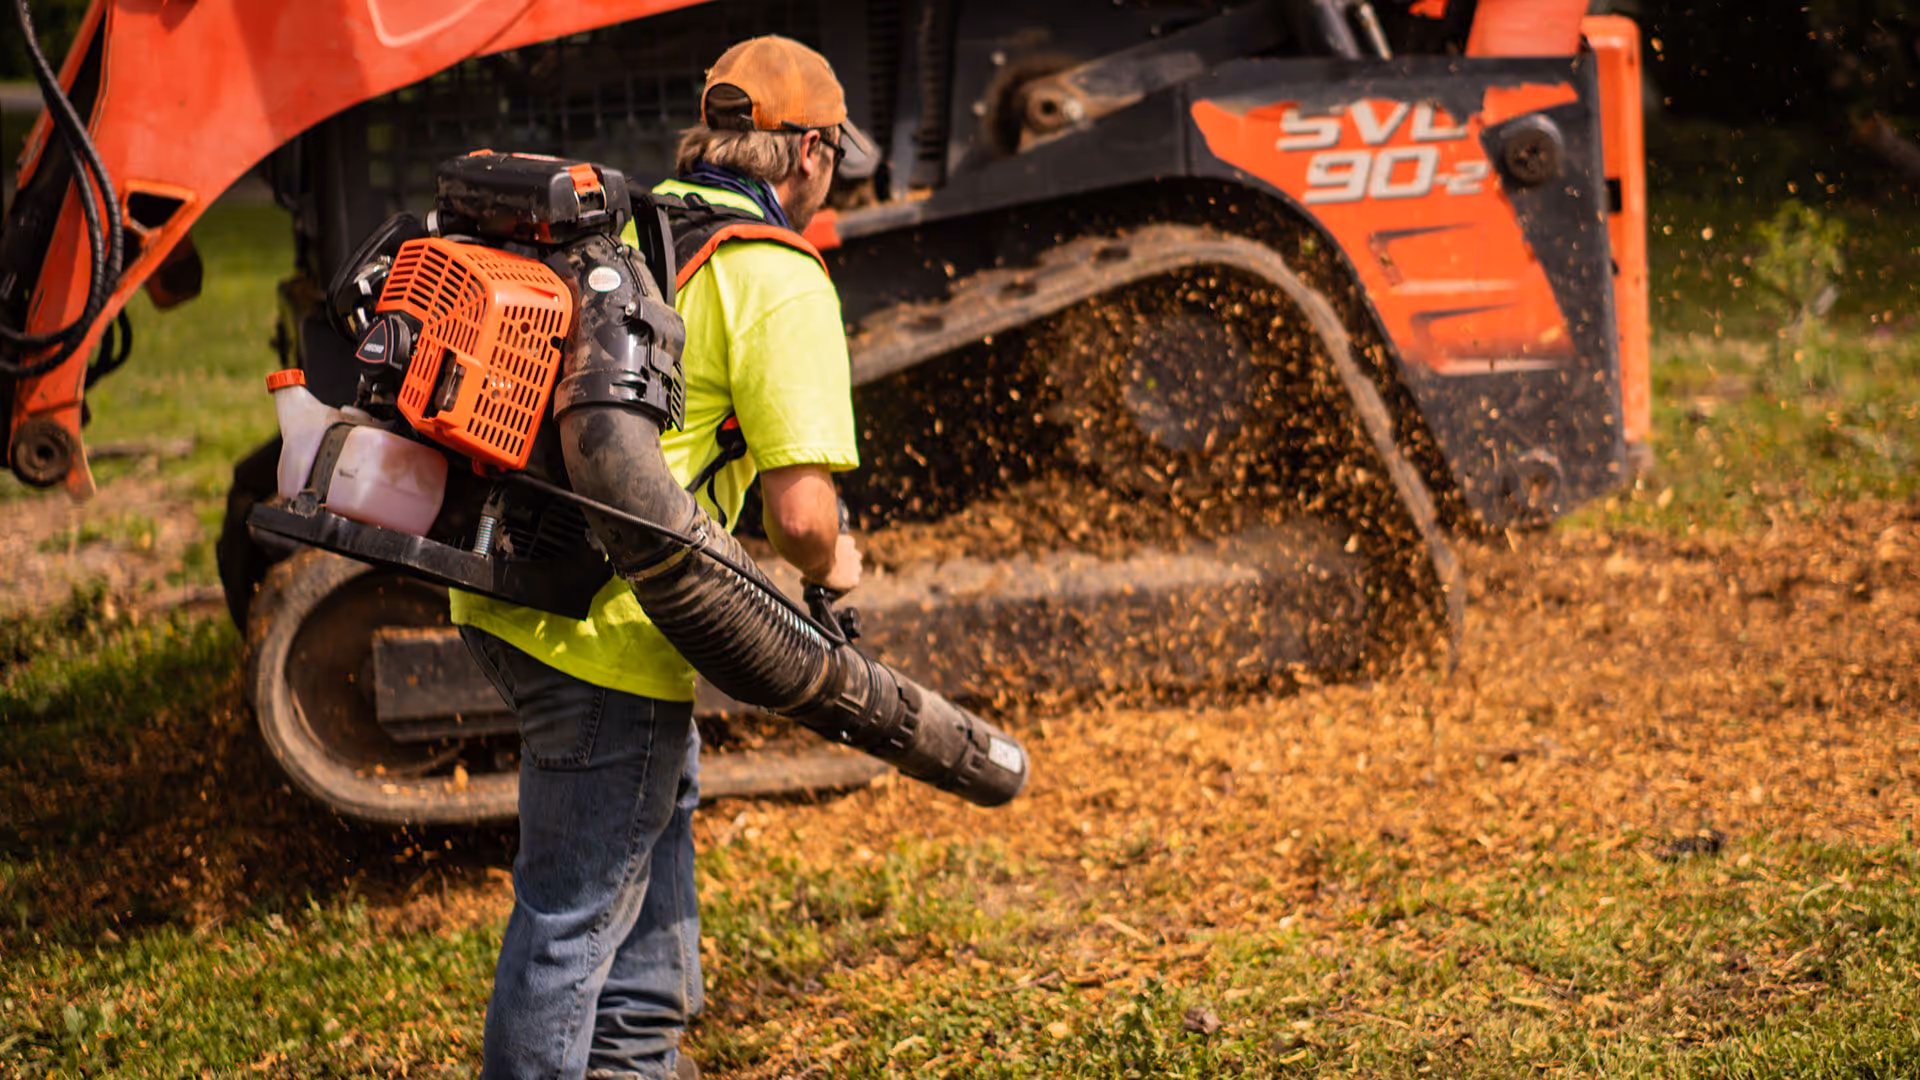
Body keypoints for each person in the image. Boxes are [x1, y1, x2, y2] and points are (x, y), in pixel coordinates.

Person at [450, 35, 879, 1080]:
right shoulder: (774, 277)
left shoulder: (627, 225)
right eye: (833, 168)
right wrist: (838, 573)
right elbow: (803, 517)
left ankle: (638, 1057)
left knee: (652, 817)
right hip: (614, 628)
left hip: (508, 587)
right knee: (572, 917)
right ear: (811, 153)